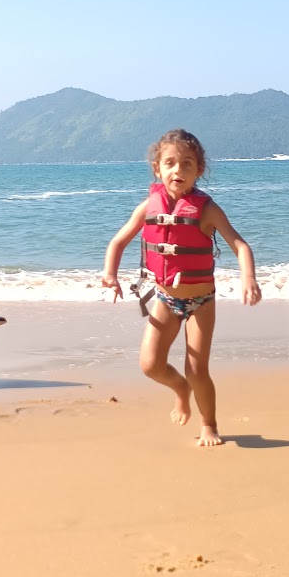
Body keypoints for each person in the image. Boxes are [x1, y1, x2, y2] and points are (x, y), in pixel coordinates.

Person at [101, 129, 261, 447]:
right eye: (171, 163)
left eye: (188, 164)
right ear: (157, 168)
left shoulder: (207, 209)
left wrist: (249, 278)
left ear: (199, 170)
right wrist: (110, 274)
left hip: (201, 300)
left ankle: (209, 425)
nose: (179, 170)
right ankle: (179, 390)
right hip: (164, 297)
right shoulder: (148, 206)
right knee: (150, 365)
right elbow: (118, 241)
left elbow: (240, 245)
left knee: (197, 368)